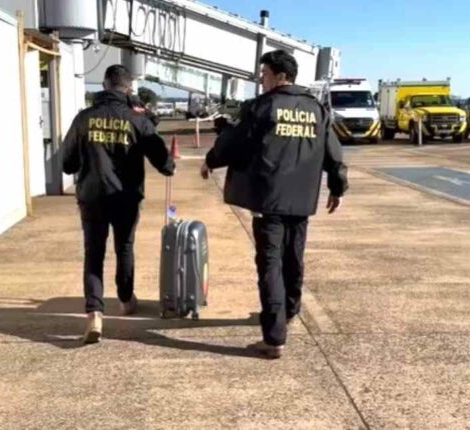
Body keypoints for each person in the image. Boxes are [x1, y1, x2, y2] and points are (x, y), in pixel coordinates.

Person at [200, 50, 348, 359]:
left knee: (269, 264)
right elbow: (333, 151)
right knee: (293, 259)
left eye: (264, 73)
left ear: (281, 75)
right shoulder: (316, 109)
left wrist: (211, 160)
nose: (261, 79)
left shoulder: (261, 107)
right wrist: (337, 186)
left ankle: (274, 336)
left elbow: (233, 145)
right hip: (302, 199)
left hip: (268, 199)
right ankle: (288, 312)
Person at [63, 65, 175, 344]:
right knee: (124, 247)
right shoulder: (137, 120)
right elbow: (163, 163)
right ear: (129, 88)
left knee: (93, 253)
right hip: (126, 197)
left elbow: (67, 164)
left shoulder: (84, 118)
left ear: (104, 84)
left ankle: (94, 314)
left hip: (91, 195)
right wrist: (170, 163)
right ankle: (125, 300)